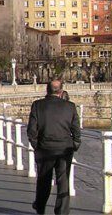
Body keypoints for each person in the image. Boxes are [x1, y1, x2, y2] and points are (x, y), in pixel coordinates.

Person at [28, 80, 81, 215]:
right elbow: (76, 129)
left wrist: (36, 146)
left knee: (44, 179)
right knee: (63, 181)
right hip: (64, 148)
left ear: (47, 90)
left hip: (45, 148)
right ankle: (62, 211)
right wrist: (75, 143)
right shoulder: (70, 106)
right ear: (61, 91)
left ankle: (40, 206)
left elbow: (32, 130)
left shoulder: (37, 105)